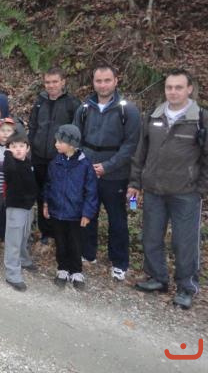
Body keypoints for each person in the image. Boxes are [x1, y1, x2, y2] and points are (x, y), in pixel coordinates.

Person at [129, 69, 207, 309]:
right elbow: (141, 152)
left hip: (186, 193)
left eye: (178, 87)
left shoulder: (200, 119)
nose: (173, 92)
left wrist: (200, 188)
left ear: (189, 89)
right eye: (169, 87)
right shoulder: (154, 115)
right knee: (151, 237)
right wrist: (135, 183)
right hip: (154, 189)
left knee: (184, 242)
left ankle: (186, 287)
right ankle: (157, 278)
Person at [73, 64, 140, 281]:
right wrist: (84, 164)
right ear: (93, 82)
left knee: (117, 219)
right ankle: (88, 253)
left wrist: (107, 166)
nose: (103, 85)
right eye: (99, 81)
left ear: (116, 81)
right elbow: (75, 138)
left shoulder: (127, 110)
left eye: (107, 80)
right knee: (88, 213)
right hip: (88, 172)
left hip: (115, 175)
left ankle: (119, 262)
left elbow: (131, 145)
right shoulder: (85, 108)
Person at [28, 67, 81, 244]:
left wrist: (70, 154)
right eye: (48, 82)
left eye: (55, 82)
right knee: (41, 195)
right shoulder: (40, 101)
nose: (51, 85)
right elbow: (33, 126)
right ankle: (45, 232)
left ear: (63, 82)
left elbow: (76, 132)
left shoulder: (72, 104)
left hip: (59, 158)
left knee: (58, 195)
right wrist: (30, 146)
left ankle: (59, 233)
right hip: (38, 156)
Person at [43, 125, 97, 289]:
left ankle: (76, 271)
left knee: (75, 243)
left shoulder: (85, 165)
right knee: (60, 242)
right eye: (56, 141)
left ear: (72, 144)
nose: (56, 144)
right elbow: (48, 184)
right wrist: (46, 203)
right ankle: (62, 268)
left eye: (60, 142)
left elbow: (91, 191)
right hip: (57, 212)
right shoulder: (55, 162)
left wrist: (87, 213)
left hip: (75, 214)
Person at [2, 130, 38, 292]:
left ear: (27, 148)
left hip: (28, 207)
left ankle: (23, 259)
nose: (18, 149)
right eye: (13, 146)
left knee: (24, 235)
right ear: (9, 149)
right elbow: (10, 172)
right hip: (15, 207)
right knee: (14, 241)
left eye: (21, 146)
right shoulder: (10, 164)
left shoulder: (28, 163)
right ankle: (12, 274)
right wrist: (7, 154)